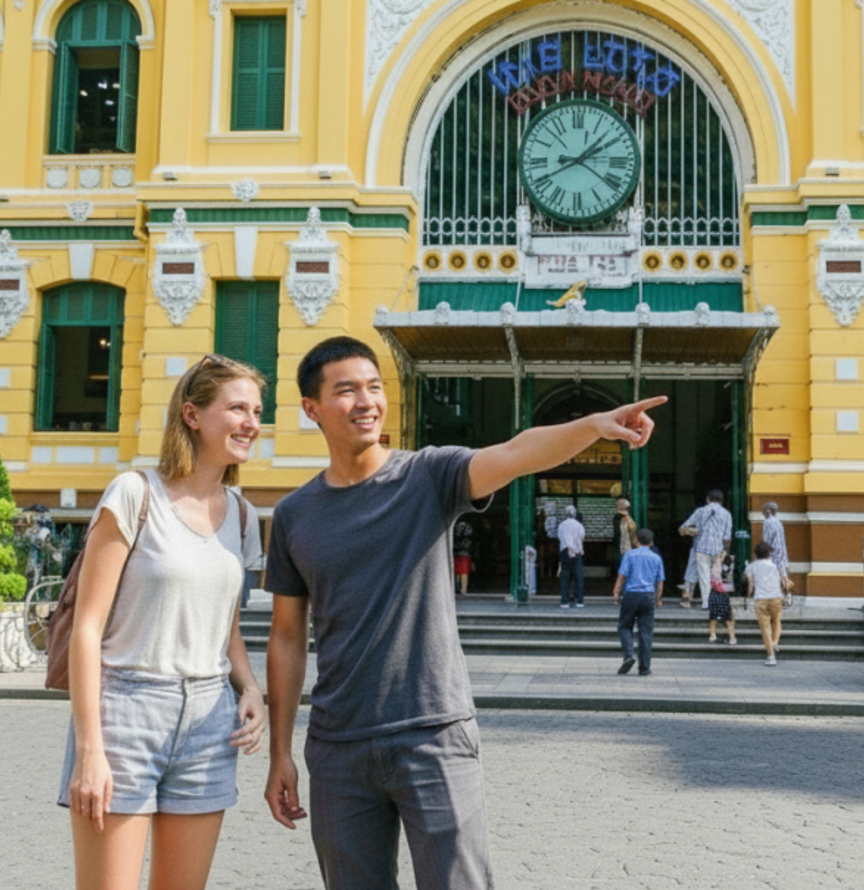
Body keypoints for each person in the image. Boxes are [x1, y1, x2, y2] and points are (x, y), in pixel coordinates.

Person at [262, 336, 665, 890]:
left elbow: (517, 452)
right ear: (312, 408)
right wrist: (279, 752)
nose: (366, 401)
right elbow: (286, 637)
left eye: (374, 388)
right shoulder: (293, 515)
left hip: (433, 734)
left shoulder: (429, 476)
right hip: (337, 748)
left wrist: (592, 425)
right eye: (347, 390)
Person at [61, 354, 268, 890]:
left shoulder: (242, 514)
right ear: (193, 415)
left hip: (209, 720)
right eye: (237, 408)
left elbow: (226, 628)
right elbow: (87, 627)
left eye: (257, 410)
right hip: (126, 711)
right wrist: (90, 751)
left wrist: (249, 687)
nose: (252, 422)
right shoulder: (134, 494)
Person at [612, 528, 664, 676]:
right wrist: (658, 599)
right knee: (645, 632)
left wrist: (616, 592)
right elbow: (660, 581)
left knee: (624, 626)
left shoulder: (630, 555)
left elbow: (622, 576)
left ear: (636, 541)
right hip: (648, 595)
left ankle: (629, 655)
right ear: (651, 542)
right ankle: (644, 667)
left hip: (631, 595)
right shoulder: (656, 558)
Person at [678, 490, 732, 609]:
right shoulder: (727, 514)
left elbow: (683, 528)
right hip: (718, 549)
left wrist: (694, 531)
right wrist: (725, 551)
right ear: (722, 501)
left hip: (701, 548)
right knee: (716, 576)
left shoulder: (700, 511)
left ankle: (706, 602)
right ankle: (717, 601)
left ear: (708, 499)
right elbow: (727, 536)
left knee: (704, 576)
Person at [748, 540, 785, 666]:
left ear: (756, 553)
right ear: (769, 553)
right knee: (776, 621)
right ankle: (774, 643)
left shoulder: (752, 566)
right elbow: (783, 581)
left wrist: (748, 595)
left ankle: (771, 656)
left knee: (765, 628)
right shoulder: (776, 565)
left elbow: (750, 585)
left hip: (760, 599)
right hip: (776, 597)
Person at [761, 501, 794, 605]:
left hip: (772, 555)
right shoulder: (778, 522)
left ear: (767, 511)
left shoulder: (767, 522)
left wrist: (762, 554)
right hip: (781, 555)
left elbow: (767, 540)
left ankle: (778, 598)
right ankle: (787, 597)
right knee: (783, 576)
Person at [556, 505, 586, 609]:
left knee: (565, 577)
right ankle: (579, 600)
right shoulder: (579, 525)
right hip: (577, 552)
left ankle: (564, 601)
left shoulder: (561, 525)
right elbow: (581, 537)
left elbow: (560, 537)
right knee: (579, 577)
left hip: (564, 552)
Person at [708, 552, 737, 645]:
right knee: (729, 617)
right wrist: (732, 562)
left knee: (713, 616)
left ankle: (712, 634)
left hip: (713, 593)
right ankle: (732, 637)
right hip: (722, 593)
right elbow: (729, 574)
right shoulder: (721, 567)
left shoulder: (711, 567)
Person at [452, 517, 473, 597]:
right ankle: (463, 589)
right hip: (464, 554)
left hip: (458, 554)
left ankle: (460, 588)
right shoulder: (468, 539)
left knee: (458, 572)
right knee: (463, 572)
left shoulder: (456, 536)